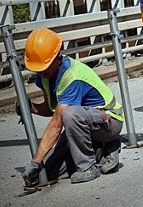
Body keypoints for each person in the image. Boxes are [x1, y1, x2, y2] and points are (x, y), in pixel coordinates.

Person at [20, 28, 124, 186]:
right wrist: (31, 108)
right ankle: (101, 152)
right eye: (38, 70)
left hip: (109, 122)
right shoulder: (46, 75)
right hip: (84, 123)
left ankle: (89, 166)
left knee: (69, 114)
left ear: (57, 57)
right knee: (49, 171)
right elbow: (51, 109)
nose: (41, 73)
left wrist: (35, 162)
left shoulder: (73, 77)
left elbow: (57, 123)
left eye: (44, 68)